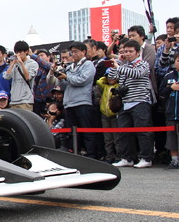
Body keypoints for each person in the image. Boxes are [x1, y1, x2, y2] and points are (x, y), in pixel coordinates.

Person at [107, 40, 154, 168]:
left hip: (140, 101)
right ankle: (126, 158)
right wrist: (117, 65)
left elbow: (137, 74)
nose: (127, 54)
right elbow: (111, 78)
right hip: (125, 102)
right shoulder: (123, 65)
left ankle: (146, 158)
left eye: (130, 51)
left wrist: (120, 67)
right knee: (123, 132)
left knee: (142, 131)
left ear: (137, 52)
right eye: (125, 51)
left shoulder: (143, 64)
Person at [57, 42, 98, 158]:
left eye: (76, 52)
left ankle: (91, 155)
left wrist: (67, 77)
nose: (73, 54)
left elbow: (82, 80)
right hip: (69, 103)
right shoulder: (70, 67)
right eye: (72, 52)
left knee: (87, 130)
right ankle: (76, 154)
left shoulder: (88, 64)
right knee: (72, 133)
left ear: (83, 52)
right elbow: (65, 85)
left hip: (82, 102)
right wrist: (59, 78)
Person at [3, 41, 38, 110]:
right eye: (17, 52)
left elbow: (28, 77)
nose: (18, 54)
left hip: (26, 101)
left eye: (20, 52)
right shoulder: (15, 64)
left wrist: (21, 63)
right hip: (13, 100)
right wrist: (12, 64)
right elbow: (6, 77)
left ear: (26, 51)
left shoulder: (33, 63)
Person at [159, 52, 179, 169]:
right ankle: (174, 160)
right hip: (172, 113)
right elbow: (161, 93)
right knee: (172, 138)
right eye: (178, 60)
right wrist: (171, 88)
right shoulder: (169, 76)